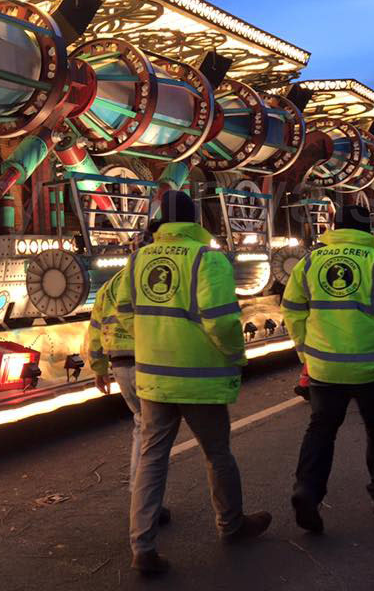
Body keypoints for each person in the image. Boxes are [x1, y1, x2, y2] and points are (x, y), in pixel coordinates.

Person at [114, 191, 271, 576]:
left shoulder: (138, 260)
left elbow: (123, 313)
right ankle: (231, 525)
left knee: (152, 459)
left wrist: (155, 339)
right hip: (199, 378)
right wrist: (235, 354)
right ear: (194, 221)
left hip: (154, 379)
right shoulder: (207, 258)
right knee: (217, 453)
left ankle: (142, 547)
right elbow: (221, 320)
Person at [283, 205, 374, 533]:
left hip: (324, 368)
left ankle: (307, 490)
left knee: (321, 429)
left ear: (334, 227)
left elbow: (292, 310)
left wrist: (305, 352)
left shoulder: (310, 262)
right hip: (373, 368)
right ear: (367, 229)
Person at [83, 221, 170, 524]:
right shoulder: (152, 279)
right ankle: (145, 503)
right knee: (154, 435)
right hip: (146, 362)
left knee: (143, 427)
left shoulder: (109, 286)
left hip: (120, 367)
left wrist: (98, 368)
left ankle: (142, 497)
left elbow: (95, 329)